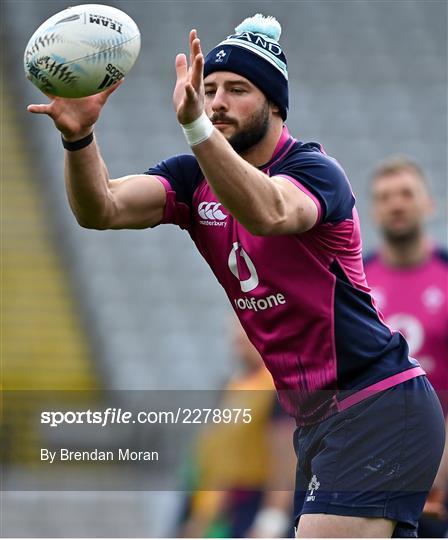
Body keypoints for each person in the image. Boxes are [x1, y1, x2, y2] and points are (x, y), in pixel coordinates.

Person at [27, 14, 445, 538]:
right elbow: (102, 208)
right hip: (319, 422)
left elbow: (268, 212)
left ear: (275, 104)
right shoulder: (190, 180)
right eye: (208, 89)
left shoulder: (314, 171)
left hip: (375, 405)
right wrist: (80, 138)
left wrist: (197, 128)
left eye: (237, 89)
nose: (216, 100)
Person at [364, 156, 448, 537]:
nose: (396, 204)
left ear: (428, 203)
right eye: (384, 197)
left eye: (405, 194)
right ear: (374, 210)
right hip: (368, 468)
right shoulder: (354, 282)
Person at [178, 320, 295, 538]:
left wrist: (271, 521)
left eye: (244, 333)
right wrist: (202, 516)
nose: (236, 339)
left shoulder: (276, 387)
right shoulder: (233, 387)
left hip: (255, 506)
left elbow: (285, 462)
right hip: (229, 508)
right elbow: (222, 460)